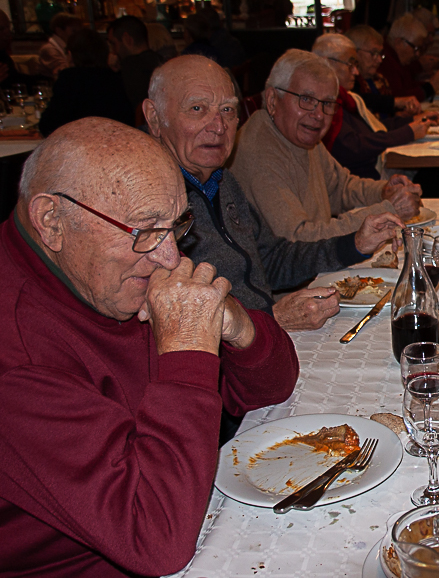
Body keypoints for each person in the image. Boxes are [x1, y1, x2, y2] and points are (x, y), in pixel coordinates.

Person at [0, 117, 298, 575]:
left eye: (176, 226)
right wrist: (185, 352)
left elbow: (272, 386)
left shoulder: (109, 275)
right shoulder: (18, 354)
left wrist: (240, 328)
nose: (169, 257)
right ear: (51, 222)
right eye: (143, 230)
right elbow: (156, 539)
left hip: (180, 505)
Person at [143, 55, 401, 336]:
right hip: (240, 353)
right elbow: (168, 330)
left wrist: (355, 243)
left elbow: (273, 259)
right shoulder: (150, 207)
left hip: (266, 339)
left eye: (228, 110)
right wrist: (272, 319)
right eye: (197, 108)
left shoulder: (222, 181)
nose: (218, 126)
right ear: (155, 118)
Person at [228, 49, 421, 242]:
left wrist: (383, 191)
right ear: (272, 101)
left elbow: (341, 187)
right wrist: (386, 211)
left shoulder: (301, 136)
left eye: (327, 103)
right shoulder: (260, 152)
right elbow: (298, 239)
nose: (319, 114)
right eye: (306, 99)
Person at [311, 35, 438, 180]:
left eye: (356, 66)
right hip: (361, 184)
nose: (356, 72)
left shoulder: (348, 98)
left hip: (371, 177)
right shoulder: (325, 103)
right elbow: (354, 147)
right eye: (350, 65)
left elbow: (373, 127)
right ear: (326, 64)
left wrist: (412, 120)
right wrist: (408, 132)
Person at [38, 28, 134, 136]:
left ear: (70, 55)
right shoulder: (115, 78)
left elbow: (48, 125)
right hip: (118, 141)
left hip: (81, 145)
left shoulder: (69, 80)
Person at [345, 24, 421, 119]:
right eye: (373, 53)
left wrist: (400, 116)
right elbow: (359, 101)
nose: (379, 60)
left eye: (380, 54)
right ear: (355, 53)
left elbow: (386, 119)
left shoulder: (379, 79)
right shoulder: (350, 83)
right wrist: (395, 102)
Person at [381, 13, 439, 102]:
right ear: (399, 43)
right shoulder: (385, 60)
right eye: (415, 48)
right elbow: (398, 99)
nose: (417, 54)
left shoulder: (397, 58)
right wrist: (430, 87)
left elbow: (407, 86)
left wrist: (429, 84)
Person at [107, 14, 164, 110]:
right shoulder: (162, 62)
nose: (113, 51)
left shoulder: (129, 67)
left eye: (114, 43)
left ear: (127, 39)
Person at [37, 12, 83, 80]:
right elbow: (64, 71)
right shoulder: (49, 49)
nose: (78, 34)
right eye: (74, 31)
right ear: (59, 31)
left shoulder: (71, 47)